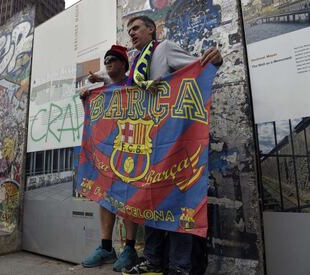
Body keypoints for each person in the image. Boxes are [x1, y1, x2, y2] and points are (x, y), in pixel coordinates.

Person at [121, 16, 223, 275]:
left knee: (177, 202)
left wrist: (216, 59)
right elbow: (127, 93)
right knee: (150, 200)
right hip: (148, 143)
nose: (131, 33)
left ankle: (180, 267)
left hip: (173, 140)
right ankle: (154, 262)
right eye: (128, 30)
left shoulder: (163, 49)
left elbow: (198, 68)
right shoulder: (136, 65)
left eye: (136, 28)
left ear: (151, 30)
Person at [80, 45, 140, 272]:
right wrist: (85, 97)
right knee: (104, 196)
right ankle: (106, 247)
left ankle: (129, 248)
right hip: (106, 151)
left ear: (124, 64)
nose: (108, 63)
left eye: (114, 59)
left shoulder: (134, 84)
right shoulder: (101, 90)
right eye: (106, 60)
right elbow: (93, 117)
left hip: (131, 148)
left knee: (128, 198)